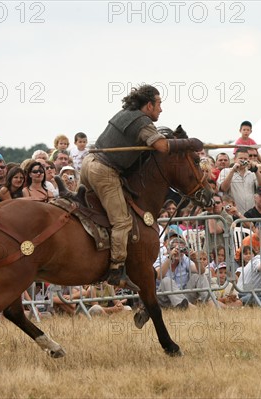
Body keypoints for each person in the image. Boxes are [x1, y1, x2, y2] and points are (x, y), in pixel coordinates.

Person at [80, 84, 202, 291]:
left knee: (85, 211)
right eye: (159, 104)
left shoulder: (124, 113)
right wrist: (188, 143)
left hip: (88, 163)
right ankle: (117, 269)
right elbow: (162, 147)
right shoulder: (142, 121)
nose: (161, 109)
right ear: (148, 105)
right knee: (122, 222)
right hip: (104, 170)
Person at [153, 236, 209, 308]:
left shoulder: (184, 259)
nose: (178, 252)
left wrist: (195, 259)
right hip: (164, 299)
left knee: (199, 276)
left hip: (183, 298)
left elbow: (201, 271)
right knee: (166, 281)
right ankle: (193, 309)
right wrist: (170, 257)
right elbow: (158, 275)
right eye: (176, 249)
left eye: (181, 249)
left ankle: (210, 302)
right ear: (169, 250)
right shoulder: (160, 259)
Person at [217, 147, 261, 215]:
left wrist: (256, 170)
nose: (243, 161)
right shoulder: (225, 171)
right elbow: (223, 188)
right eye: (241, 158)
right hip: (232, 213)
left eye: (245, 159)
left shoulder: (252, 173)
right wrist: (233, 171)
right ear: (235, 159)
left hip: (250, 215)